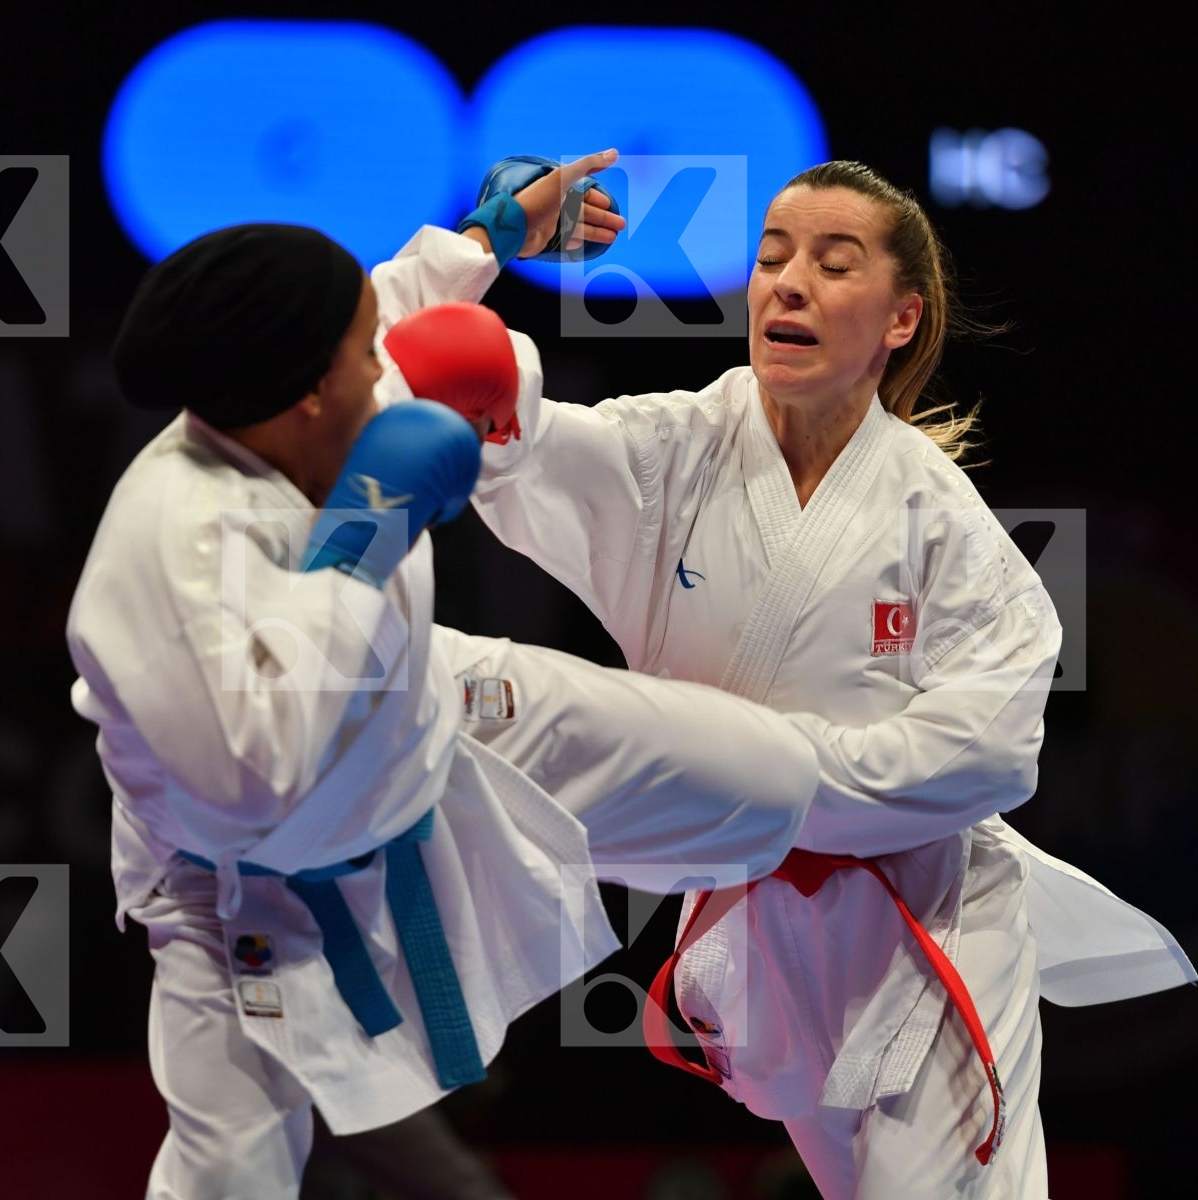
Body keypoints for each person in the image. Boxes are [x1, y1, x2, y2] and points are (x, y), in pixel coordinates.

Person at [402, 154, 1198, 1198]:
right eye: (773, 257)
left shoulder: (937, 519)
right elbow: (447, 390)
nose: (788, 284)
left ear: (901, 319)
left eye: (833, 263)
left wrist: (754, 777)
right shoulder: (668, 453)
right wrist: (477, 249)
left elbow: (993, 754)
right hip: (762, 937)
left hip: (928, 925)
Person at [67, 171, 826, 1199]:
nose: (385, 361)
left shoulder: (283, 395)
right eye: (362, 352)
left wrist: (490, 234)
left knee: (777, 777)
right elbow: (256, 780)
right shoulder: (166, 559)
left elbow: (392, 306)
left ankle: (918, 859)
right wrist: (359, 541)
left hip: (432, 711)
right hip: (247, 882)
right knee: (229, 1176)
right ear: (311, 391)